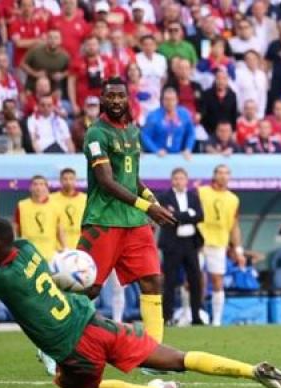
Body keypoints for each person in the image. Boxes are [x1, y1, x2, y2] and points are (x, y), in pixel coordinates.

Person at [0, 209, 281, 388]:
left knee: (73, 387)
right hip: (97, 324)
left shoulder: (0, 278)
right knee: (177, 358)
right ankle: (251, 370)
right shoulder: (26, 248)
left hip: (74, 351)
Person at [78, 77, 177, 348]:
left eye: (120, 96)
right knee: (89, 287)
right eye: (110, 96)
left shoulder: (133, 131)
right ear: (102, 99)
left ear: (127, 98)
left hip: (134, 221)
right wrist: (148, 207)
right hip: (104, 219)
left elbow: (131, 179)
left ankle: (154, 353)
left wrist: (151, 199)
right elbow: (106, 181)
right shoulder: (96, 134)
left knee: (153, 280)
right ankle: (51, 343)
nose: (116, 101)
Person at [197, 165, 246, 326]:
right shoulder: (201, 192)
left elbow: (235, 226)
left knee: (217, 280)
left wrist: (238, 250)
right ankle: (191, 314)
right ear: (214, 175)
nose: (223, 176)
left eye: (226, 173)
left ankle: (217, 320)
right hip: (198, 241)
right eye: (220, 173)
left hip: (219, 243)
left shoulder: (233, 199)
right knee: (193, 279)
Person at [158, 168, 204, 325]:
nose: (179, 181)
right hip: (172, 244)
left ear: (186, 180)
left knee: (195, 279)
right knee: (170, 281)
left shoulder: (193, 196)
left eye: (182, 178)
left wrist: (178, 214)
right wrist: (188, 214)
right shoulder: (164, 197)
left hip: (190, 243)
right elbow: (168, 217)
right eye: (176, 178)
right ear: (172, 180)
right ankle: (167, 317)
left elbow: (200, 216)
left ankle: (196, 316)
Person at [14, 175, 65, 263]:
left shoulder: (56, 206)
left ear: (46, 188)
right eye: (35, 184)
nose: (38, 187)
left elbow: (59, 230)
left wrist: (65, 248)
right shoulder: (22, 205)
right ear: (30, 188)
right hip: (28, 255)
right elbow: (16, 229)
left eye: (41, 184)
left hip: (49, 256)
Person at [141, 88, 196, 158]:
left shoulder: (184, 114)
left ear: (177, 100)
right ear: (162, 101)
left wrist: (188, 149)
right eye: (166, 99)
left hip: (177, 155)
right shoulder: (153, 116)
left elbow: (191, 133)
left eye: (172, 99)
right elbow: (145, 136)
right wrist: (156, 150)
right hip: (157, 156)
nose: (169, 102)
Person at [51, 168, 87, 250]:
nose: (68, 182)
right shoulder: (51, 199)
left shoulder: (85, 199)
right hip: (57, 249)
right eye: (65, 179)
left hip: (80, 246)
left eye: (71, 179)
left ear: (76, 180)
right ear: (60, 181)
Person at [201, 69, 238, 136]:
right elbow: (203, 115)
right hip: (210, 132)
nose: (221, 81)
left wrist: (233, 132)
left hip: (227, 133)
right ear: (215, 79)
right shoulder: (207, 94)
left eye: (224, 79)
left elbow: (234, 116)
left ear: (227, 80)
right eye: (218, 78)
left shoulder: (232, 95)